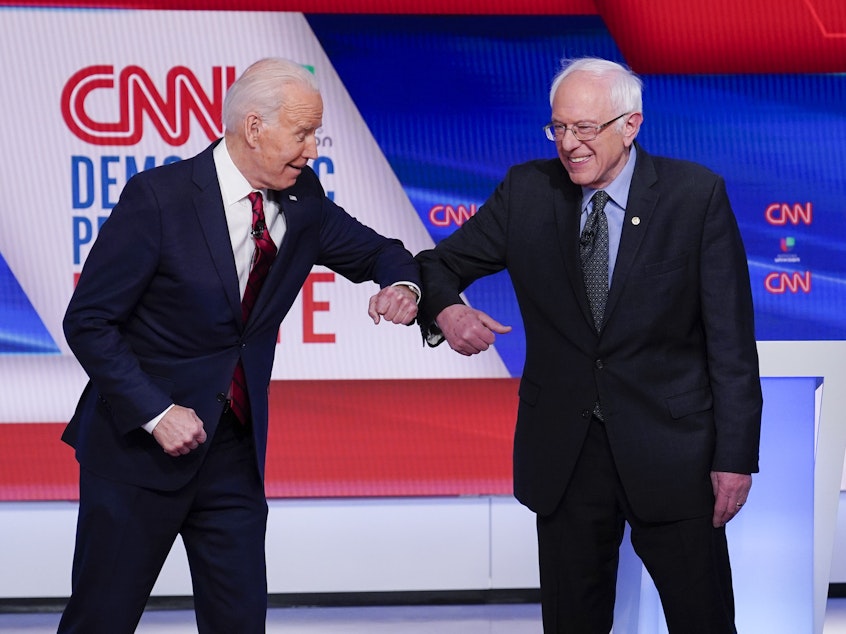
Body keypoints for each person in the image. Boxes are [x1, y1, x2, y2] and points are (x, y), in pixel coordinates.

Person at [59, 57, 421, 633]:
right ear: (254, 128)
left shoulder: (304, 202)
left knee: (240, 623)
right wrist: (156, 413)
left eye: (315, 136)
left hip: (231, 454)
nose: (311, 150)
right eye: (301, 133)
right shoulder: (159, 198)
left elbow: (382, 251)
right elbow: (89, 322)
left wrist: (401, 286)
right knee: (101, 621)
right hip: (137, 451)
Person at [415, 57, 762, 633]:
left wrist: (735, 458)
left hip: (673, 452)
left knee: (702, 618)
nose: (569, 145)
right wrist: (448, 310)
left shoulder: (693, 196)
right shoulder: (528, 190)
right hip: (566, 456)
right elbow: (437, 264)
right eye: (558, 128)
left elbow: (731, 341)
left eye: (585, 129)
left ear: (631, 125)